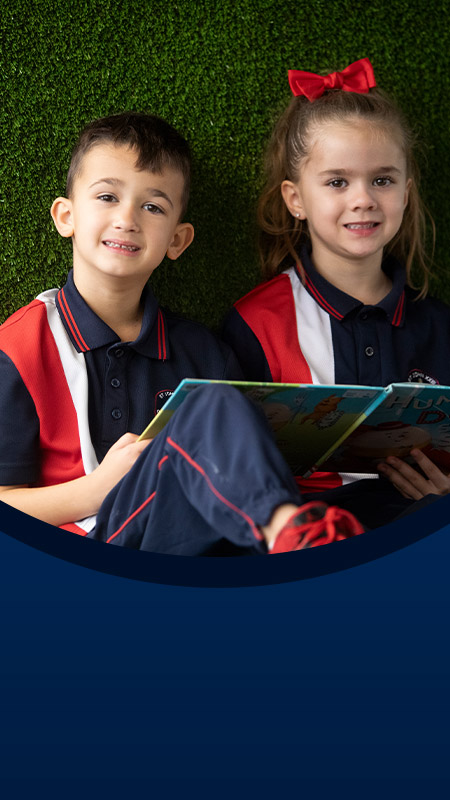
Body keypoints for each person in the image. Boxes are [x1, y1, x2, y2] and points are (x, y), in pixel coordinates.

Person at [0, 111, 363, 555]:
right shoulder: (18, 347)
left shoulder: (205, 352)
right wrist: (94, 491)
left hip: (184, 544)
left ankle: (291, 537)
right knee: (211, 402)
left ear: (177, 240)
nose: (127, 218)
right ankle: (289, 530)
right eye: (108, 196)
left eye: (153, 207)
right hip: (91, 547)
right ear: (65, 216)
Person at [222, 58, 450, 528]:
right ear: (296, 199)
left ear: (405, 193)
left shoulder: (440, 325)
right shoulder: (254, 325)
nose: (363, 198)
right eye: (337, 182)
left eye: (382, 180)